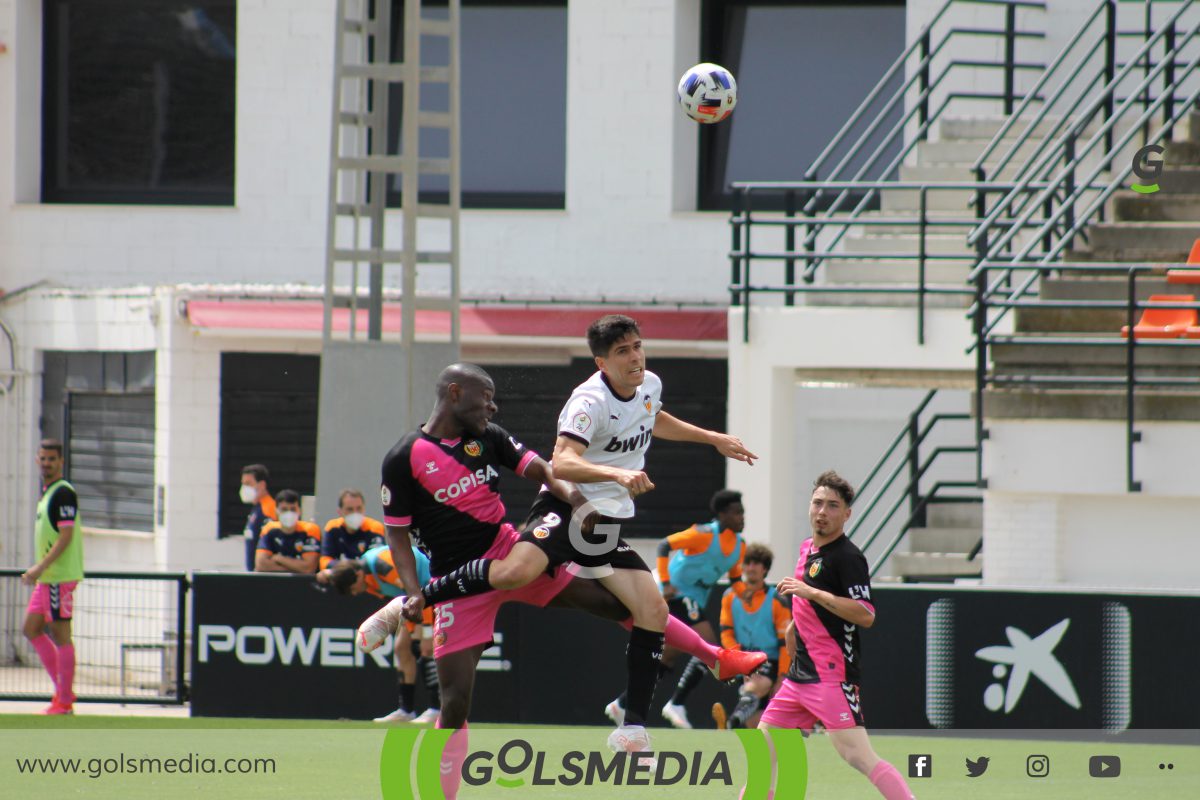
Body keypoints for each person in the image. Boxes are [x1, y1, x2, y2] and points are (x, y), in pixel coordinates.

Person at [361, 362, 761, 800]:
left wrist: (577, 500)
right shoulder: (405, 457)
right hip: (460, 582)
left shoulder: (489, 437)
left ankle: (713, 655)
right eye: (485, 397)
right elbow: (396, 534)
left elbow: (547, 470)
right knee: (454, 704)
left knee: (620, 606)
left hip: (509, 551)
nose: (493, 406)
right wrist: (413, 590)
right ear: (455, 393)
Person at [757, 471, 914, 800]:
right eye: (817, 503)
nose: (822, 512)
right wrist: (792, 634)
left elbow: (865, 614)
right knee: (763, 751)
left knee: (858, 756)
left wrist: (811, 593)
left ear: (846, 514)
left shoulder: (848, 557)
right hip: (798, 677)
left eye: (832, 506)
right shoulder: (806, 549)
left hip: (831, 676)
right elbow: (805, 614)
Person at [605, 488, 748, 729]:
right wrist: (667, 582)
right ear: (722, 515)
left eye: (742, 513)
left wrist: (750, 597)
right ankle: (677, 703)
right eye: (737, 513)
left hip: (694, 600)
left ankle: (622, 702)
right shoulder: (702, 534)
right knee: (710, 645)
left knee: (668, 655)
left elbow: (736, 582)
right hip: (674, 594)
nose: (742, 517)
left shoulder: (739, 547)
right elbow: (664, 545)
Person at [327, 546, 439, 723]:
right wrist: (412, 629)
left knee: (427, 648)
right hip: (415, 604)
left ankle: (437, 709)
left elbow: (417, 592)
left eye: (352, 588)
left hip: (436, 594)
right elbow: (402, 600)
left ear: (357, 574)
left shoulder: (384, 566)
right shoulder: (366, 577)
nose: (354, 593)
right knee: (402, 649)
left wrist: (425, 631)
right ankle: (406, 710)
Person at [22, 439, 84, 715]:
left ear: (61, 462)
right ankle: (63, 691)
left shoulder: (63, 493)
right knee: (31, 629)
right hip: (48, 578)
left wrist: (39, 567)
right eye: (43, 458)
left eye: (52, 459)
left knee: (61, 635)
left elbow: (66, 536)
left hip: (58, 576)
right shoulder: (47, 493)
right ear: (38, 460)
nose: (47, 463)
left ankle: (65, 700)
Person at [709, 542, 790, 730]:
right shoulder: (729, 596)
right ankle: (738, 723)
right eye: (748, 563)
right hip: (744, 659)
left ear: (765, 569)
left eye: (757, 563)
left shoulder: (777, 600)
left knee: (754, 689)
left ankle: (730, 724)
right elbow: (726, 633)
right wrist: (739, 661)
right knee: (755, 724)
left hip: (770, 661)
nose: (751, 567)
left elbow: (786, 643)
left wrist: (782, 677)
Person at [318, 488, 387, 572]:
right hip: (341, 577)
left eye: (359, 508)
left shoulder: (374, 528)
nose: (355, 513)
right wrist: (352, 566)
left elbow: (376, 563)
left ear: (364, 509)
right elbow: (324, 562)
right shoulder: (333, 527)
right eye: (350, 509)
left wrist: (344, 565)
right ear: (340, 512)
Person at [254, 490, 321, 574]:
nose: (289, 513)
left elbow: (308, 568)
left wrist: (279, 558)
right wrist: (296, 567)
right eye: (284, 509)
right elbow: (261, 565)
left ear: (299, 511)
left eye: (293, 509)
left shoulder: (310, 530)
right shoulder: (269, 529)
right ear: (276, 511)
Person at [239, 464, 276, 571]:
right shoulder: (257, 509)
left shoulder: (269, 509)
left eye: (248, 484)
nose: (244, 488)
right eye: (243, 484)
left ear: (262, 485)